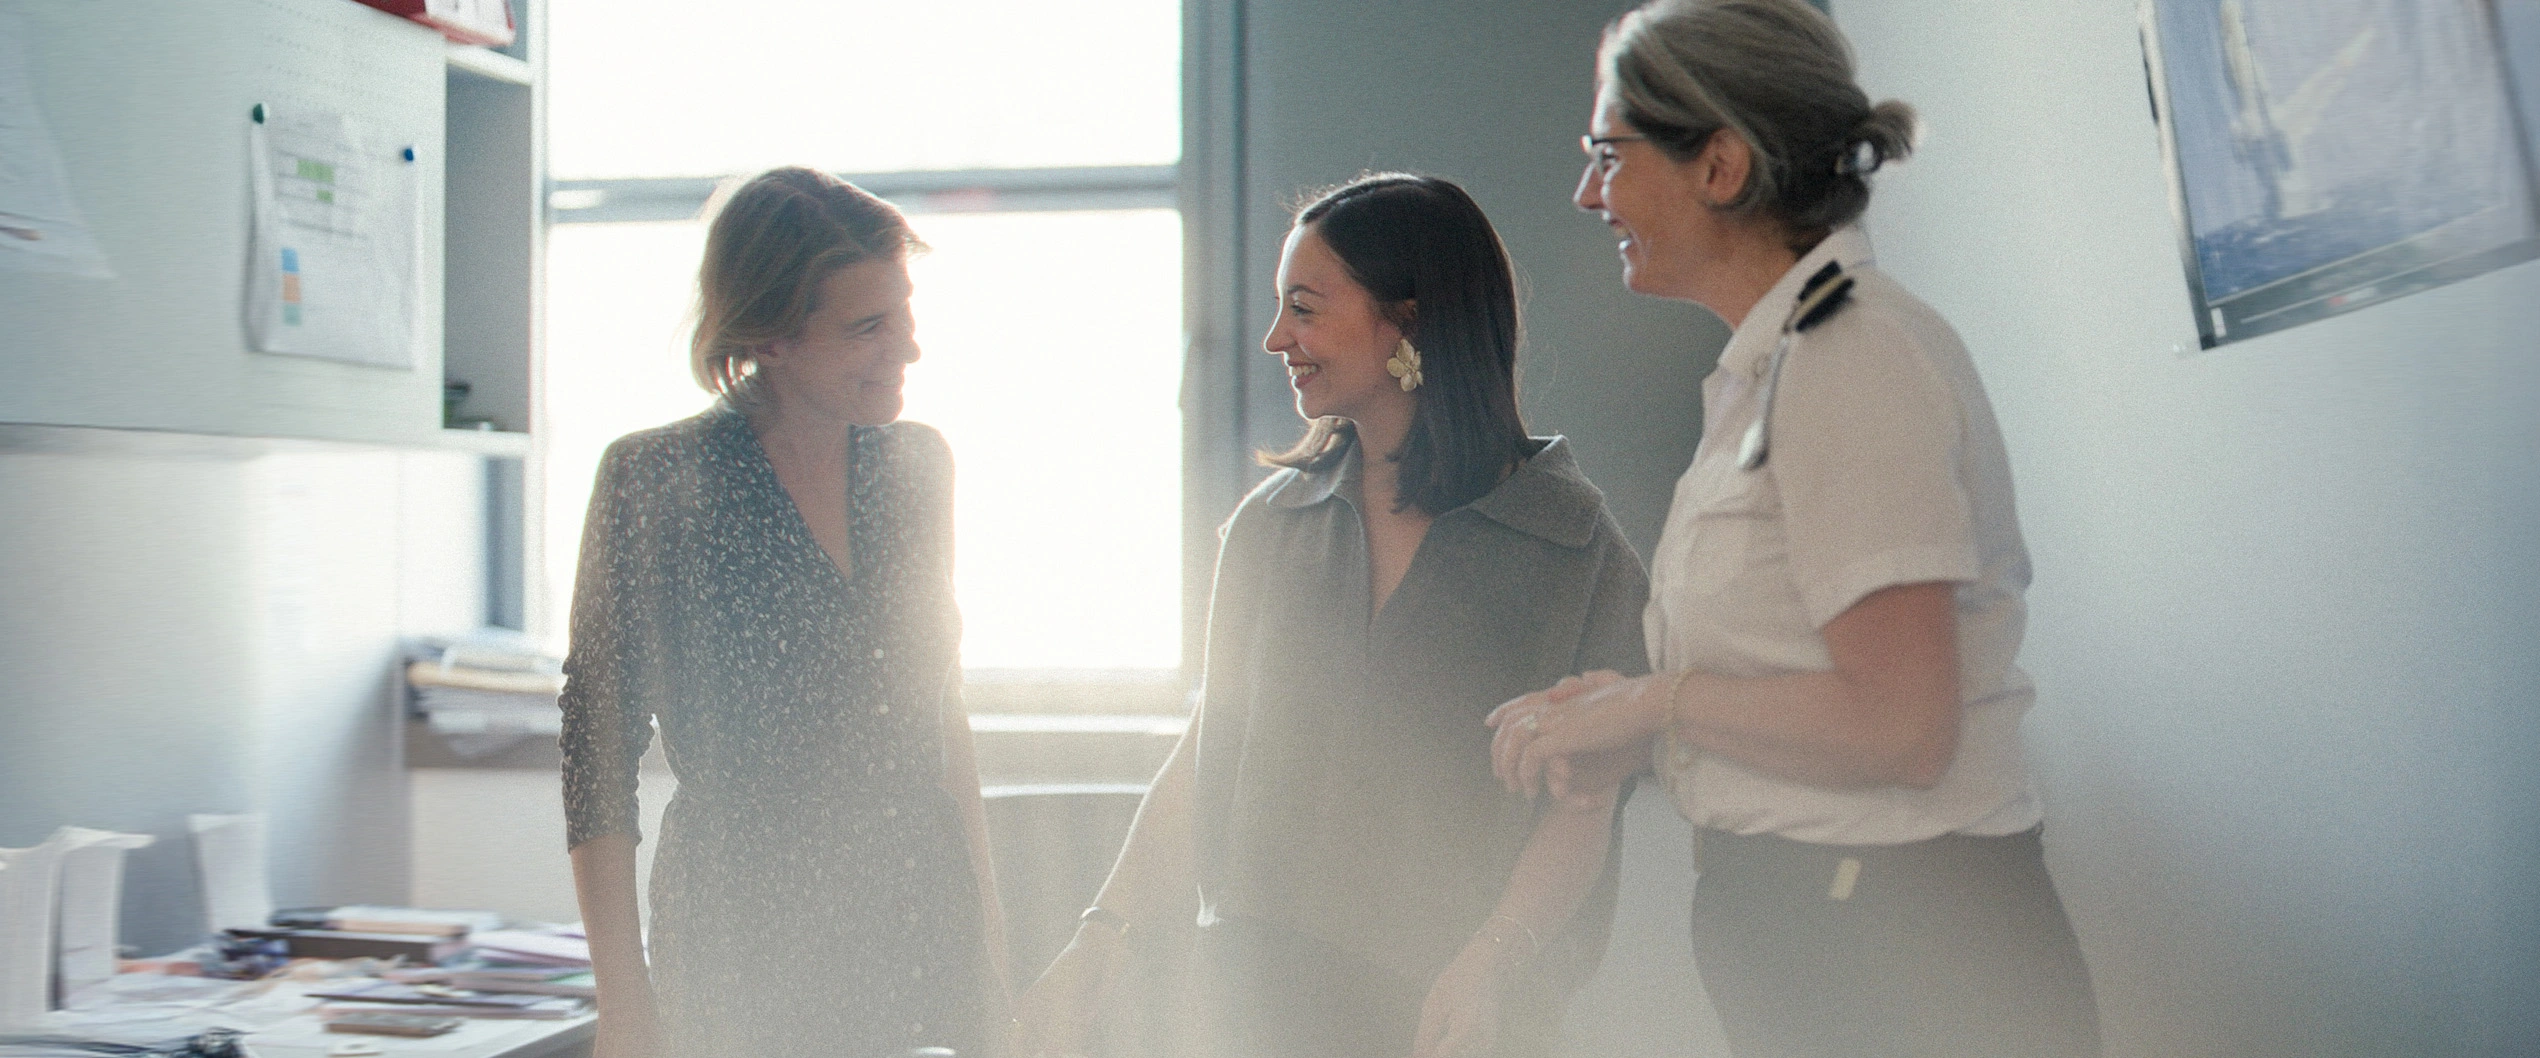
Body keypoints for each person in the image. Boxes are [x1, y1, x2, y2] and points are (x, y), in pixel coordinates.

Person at [1487, 2, 2102, 1057]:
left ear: (1718, 164)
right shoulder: (1774, 369)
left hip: (1902, 948)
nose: (1588, 192)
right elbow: (1790, 666)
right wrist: (1626, 714)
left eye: (1607, 152)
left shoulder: (1850, 362)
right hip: (1833, 933)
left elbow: (1899, 726)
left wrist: (1653, 703)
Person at [1009, 174, 1649, 1058]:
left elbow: (1584, 809)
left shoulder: (1573, 546)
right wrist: (1102, 935)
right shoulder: (1271, 527)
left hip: (1457, 1020)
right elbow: (1210, 747)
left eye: (1305, 309)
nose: (1278, 338)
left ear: (1408, 322)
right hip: (1259, 1008)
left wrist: (1490, 962)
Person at [558, 167, 1006, 1058]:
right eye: (867, 327)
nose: (906, 350)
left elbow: (937, 710)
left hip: (919, 925)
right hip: (741, 943)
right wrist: (623, 1002)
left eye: (905, 314)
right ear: (768, 335)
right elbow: (595, 748)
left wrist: (992, 941)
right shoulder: (655, 480)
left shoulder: (917, 465)